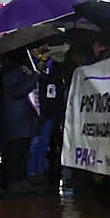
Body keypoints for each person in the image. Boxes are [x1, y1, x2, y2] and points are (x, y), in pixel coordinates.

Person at [0, 53, 40, 194]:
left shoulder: (22, 71)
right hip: (15, 121)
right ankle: (14, 182)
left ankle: (22, 180)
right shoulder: (10, 74)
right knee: (15, 153)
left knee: (23, 152)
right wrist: (34, 78)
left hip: (23, 120)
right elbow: (17, 91)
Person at [27, 43, 66, 187]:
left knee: (43, 143)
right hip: (35, 111)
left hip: (49, 110)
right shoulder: (31, 66)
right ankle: (31, 172)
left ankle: (40, 171)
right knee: (34, 144)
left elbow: (58, 86)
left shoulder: (56, 67)